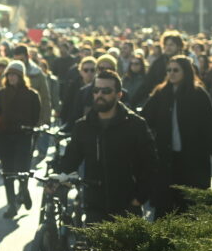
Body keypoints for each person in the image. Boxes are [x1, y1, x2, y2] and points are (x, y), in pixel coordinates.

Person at [54, 69, 158, 223]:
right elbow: (71, 160)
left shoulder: (135, 125)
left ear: (119, 95)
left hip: (127, 208)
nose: (99, 95)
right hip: (94, 207)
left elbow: (150, 164)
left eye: (106, 91)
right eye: (96, 90)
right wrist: (57, 178)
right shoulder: (83, 126)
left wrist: (139, 198)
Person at [141, 55, 212, 218]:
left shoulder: (198, 94)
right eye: (169, 70)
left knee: (189, 203)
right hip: (166, 158)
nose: (171, 73)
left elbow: (210, 122)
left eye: (176, 70)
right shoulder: (161, 93)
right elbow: (145, 118)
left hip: (192, 158)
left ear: (186, 71)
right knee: (165, 203)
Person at [0, 61, 41, 218]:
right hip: (4, 136)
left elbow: (36, 117)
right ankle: (11, 205)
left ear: (21, 76)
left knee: (22, 170)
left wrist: (29, 129)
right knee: (7, 172)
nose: (11, 77)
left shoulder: (32, 95)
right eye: (9, 75)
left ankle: (24, 191)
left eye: (15, 75)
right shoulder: (1, 93)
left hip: (24, 137)